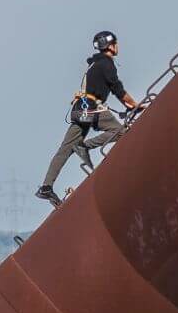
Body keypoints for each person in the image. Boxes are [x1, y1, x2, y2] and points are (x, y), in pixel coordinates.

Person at [35, 30, 139, 205]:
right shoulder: (107, 63)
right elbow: (117, 89)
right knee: (119, 131)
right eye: (116, 43)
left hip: (80, 110)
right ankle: (83, 146)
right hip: (91, 109)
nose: (118, 46)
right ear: (111, 46)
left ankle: (46, 187)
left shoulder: (95, 64)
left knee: (64, 149)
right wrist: (134, 105)